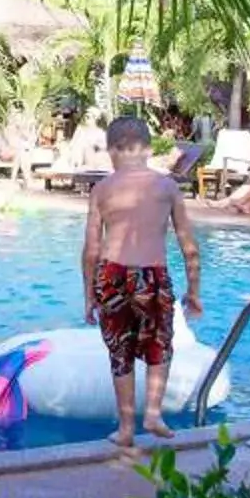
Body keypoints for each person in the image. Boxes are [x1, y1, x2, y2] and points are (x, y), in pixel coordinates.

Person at [79, 115, 203, 450]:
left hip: (112, 274)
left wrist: (88, 294)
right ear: (148, 149)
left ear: (110, 151)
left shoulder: (102, 189)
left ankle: (125, 428)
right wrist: (194, 291)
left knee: (120, 352)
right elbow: (188, 246)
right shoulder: (167, 187)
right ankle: (152, 413)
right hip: (153, 275)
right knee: (159, 345)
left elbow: (91, 250)